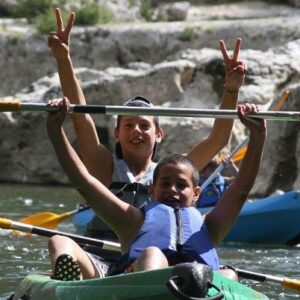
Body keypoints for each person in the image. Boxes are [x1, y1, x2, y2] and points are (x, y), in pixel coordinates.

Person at [48, 8, 247, 240]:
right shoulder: (103, 166)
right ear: (116, 135)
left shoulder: (172, 172)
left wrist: (231, 90)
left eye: (144, 126)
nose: (136, 131)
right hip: (103, 256)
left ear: (159, 134)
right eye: (128, 125)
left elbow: (218, 140)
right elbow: (80, 116)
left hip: (149, 256)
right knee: (60, 241)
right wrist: (63, 60)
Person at [46, 98, 266, 281]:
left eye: (181, 185)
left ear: (196, 193)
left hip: (196, 285)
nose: (173, 190)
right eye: (165, 184)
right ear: (151, 191)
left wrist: (258, 137)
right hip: (139, 281)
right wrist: (56, 132)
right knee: (150, 253)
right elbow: (84, 182)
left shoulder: (210, 226)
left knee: (229, 274)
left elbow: (241, 189)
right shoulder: (132, 221)